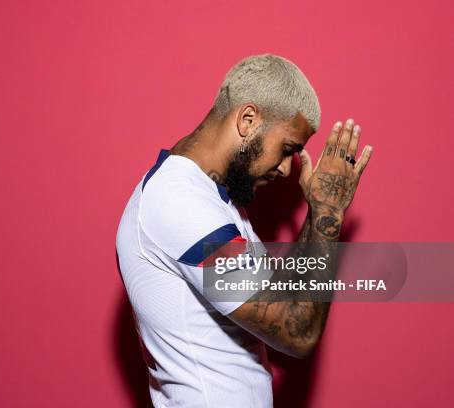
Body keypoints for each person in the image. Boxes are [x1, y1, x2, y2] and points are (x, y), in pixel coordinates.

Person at [115, 54, 372, 407]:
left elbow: (282, 295)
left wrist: (316, 211)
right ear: (248, 119)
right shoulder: (178, 204)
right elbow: (298, 331)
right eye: (286, 150)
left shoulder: (214, 200)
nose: (285, 169)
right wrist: (329, 211)